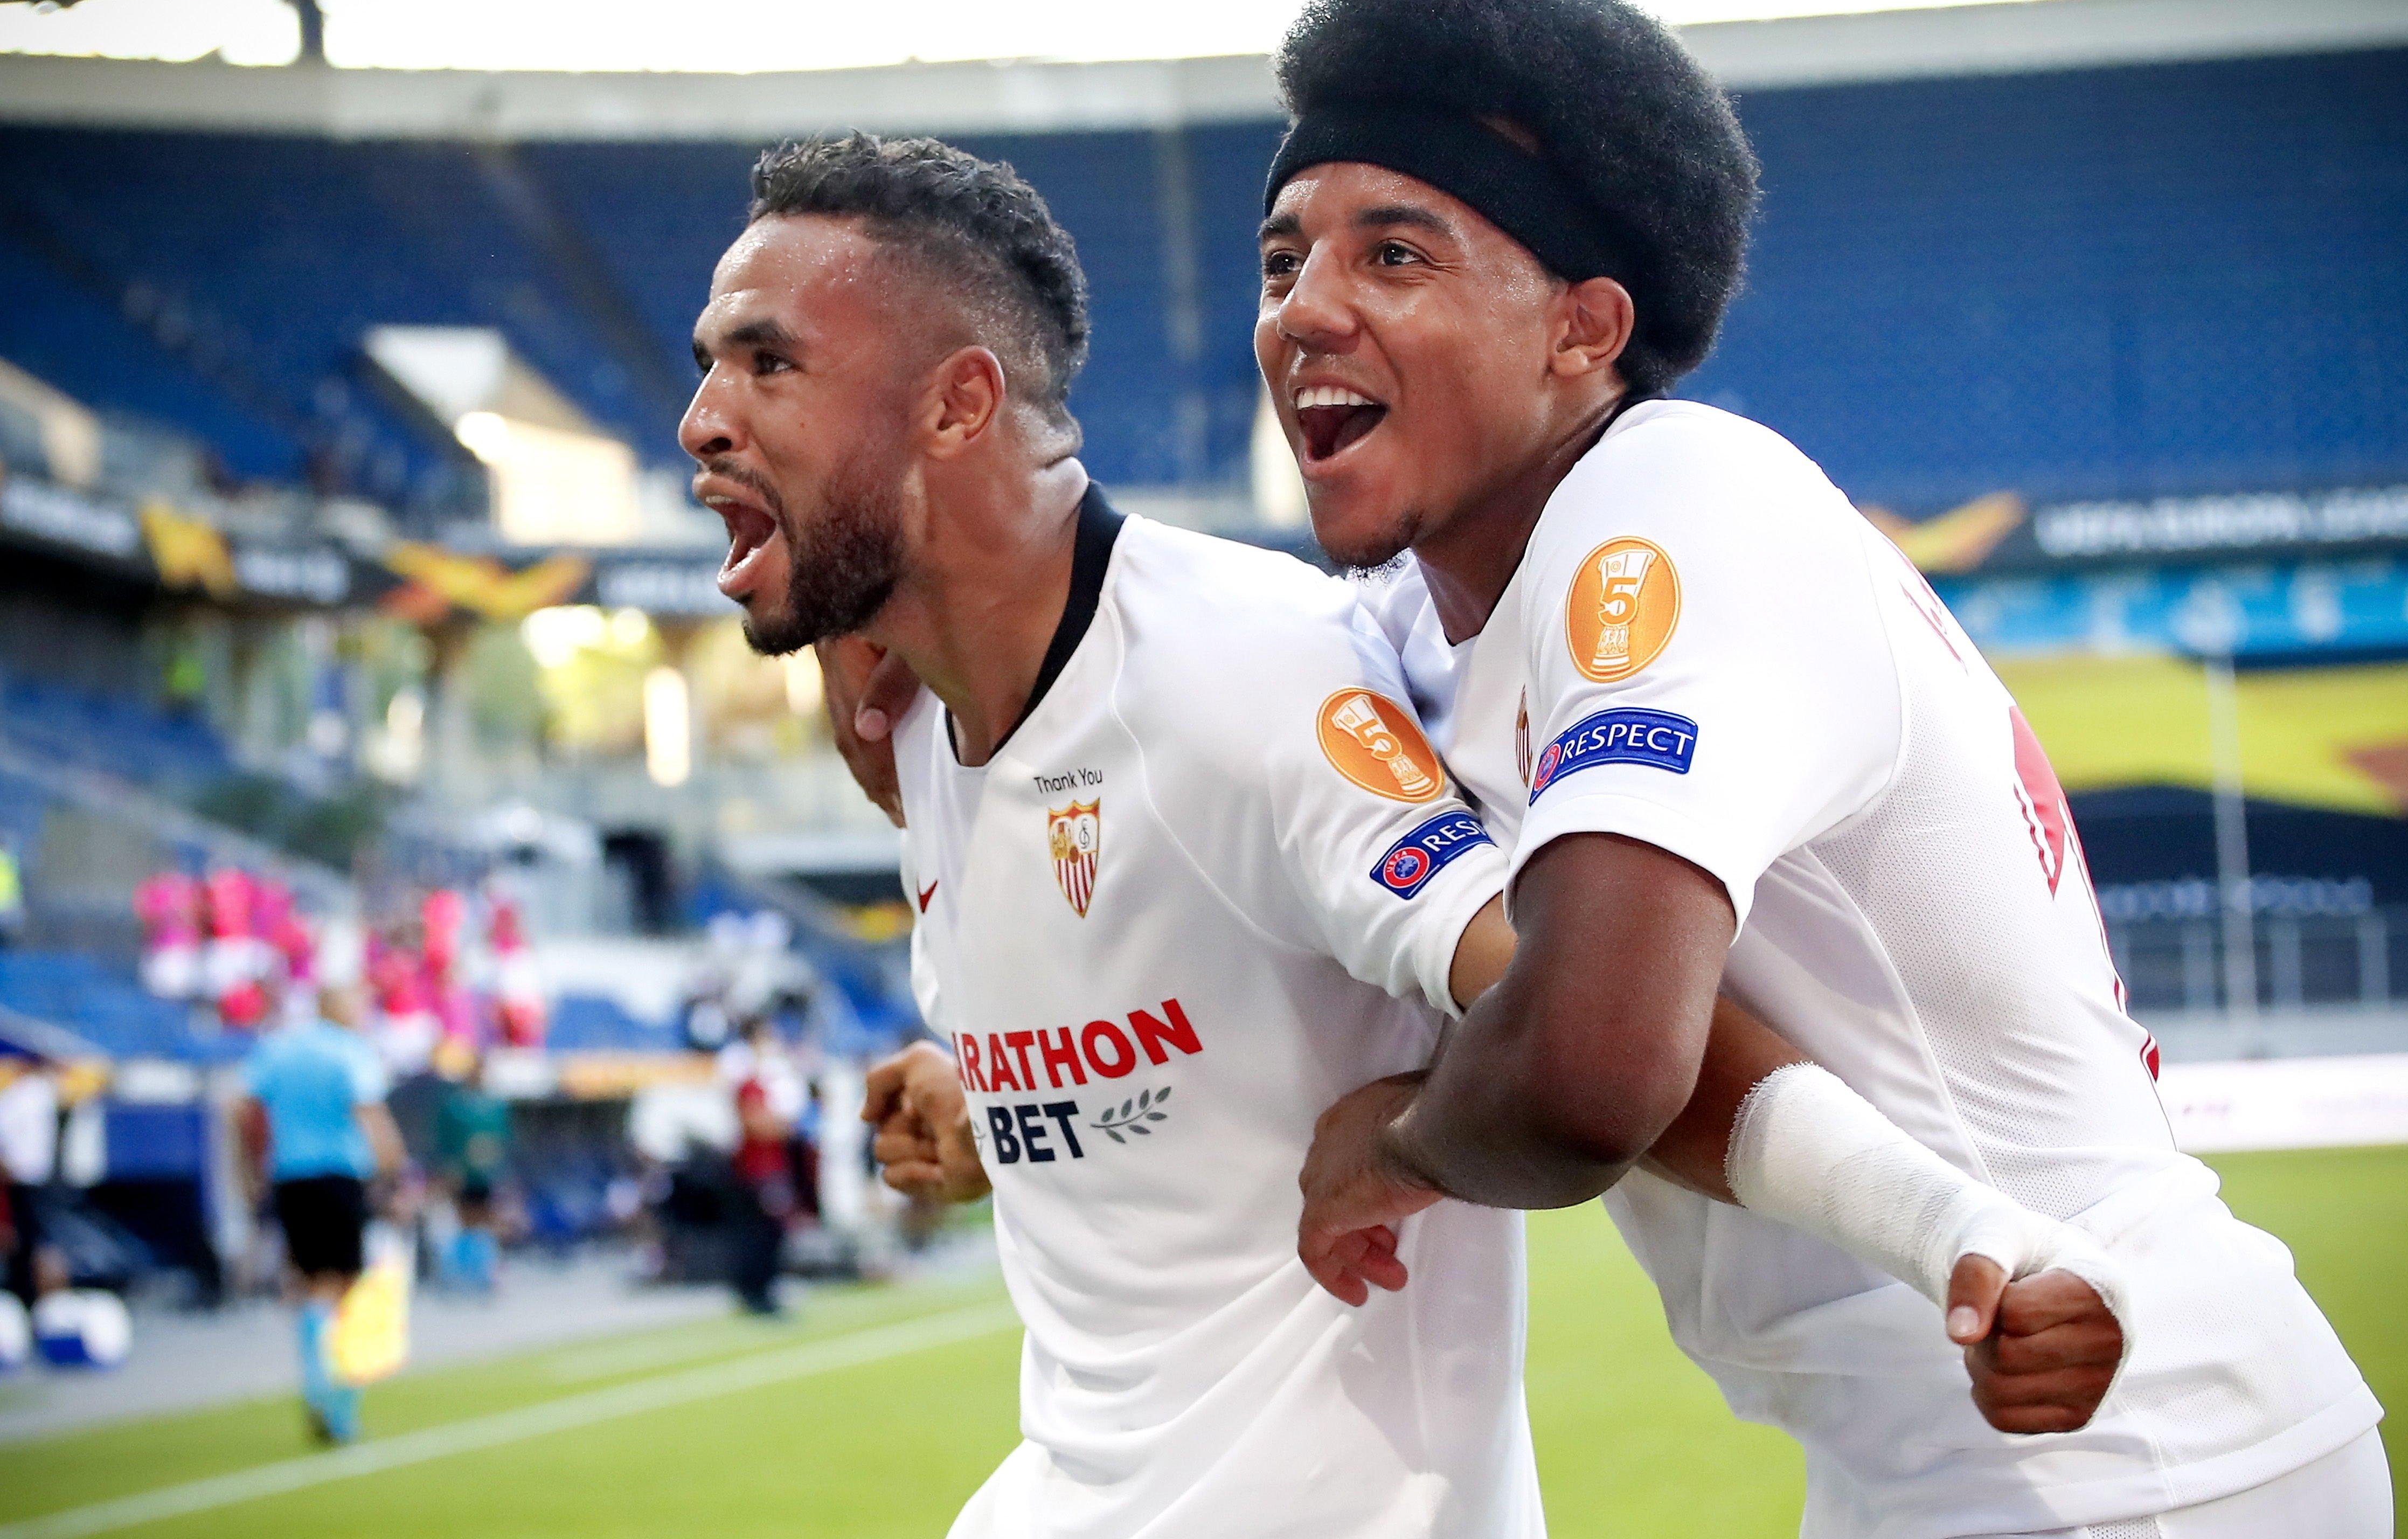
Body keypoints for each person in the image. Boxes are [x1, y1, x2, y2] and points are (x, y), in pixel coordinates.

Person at [689, 134, 2118, 1538]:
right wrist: (989, 1109)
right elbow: (1197, 1036)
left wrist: (1955, 1228)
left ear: (956, 407)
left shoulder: (1246, 676)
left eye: (767, 363)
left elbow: (1585, 1033)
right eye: (708, 363)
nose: (702, 420)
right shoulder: (916, 723)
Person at [1252, 0, 2386, 1539]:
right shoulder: (1413, 632)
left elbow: (1593, 1070)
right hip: (1939, 1445)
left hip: (2123, 1443)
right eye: (1282, 257)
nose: (1308, 310)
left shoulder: (1673, 502)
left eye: (1394, 254)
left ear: (1583, 327)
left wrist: (1406, 1137)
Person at [239, 986, 404, 1444]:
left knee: (309, 1285)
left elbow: (245, 1108)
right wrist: (396, 1174)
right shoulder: (349, 1052)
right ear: (339, 1007)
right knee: (348, 1288)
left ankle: (314, 1382)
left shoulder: (278, 1049)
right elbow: (371, 1115)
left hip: (290, 1178)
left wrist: (250, 1169)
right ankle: (338, 1403)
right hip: (339, 1176)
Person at [727, 1015, 804, 1316]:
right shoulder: (748, 1084)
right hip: (758, 1170)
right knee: (760, 1235)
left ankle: (765, 1290)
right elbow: (758, 1126)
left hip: (773, 1167)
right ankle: (756, 1294)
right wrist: (784, 1124)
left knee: (773, 1234)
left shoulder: (769, 1085)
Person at [431, 1052, 510, 1294]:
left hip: (488, 1175)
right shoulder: (455, 1107)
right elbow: (445, 1144)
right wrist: (450, 1170)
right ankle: (466, 1274)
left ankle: (488, 1271)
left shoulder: (495, 1106)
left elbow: (504, 1140)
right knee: (465, 1221)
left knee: (489, 1221)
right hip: (463, 1175)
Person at [0, 1055, 62, 1309]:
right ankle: (36, 1302)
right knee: (32, 1245)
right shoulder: (36, 1092)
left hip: (26, 1178)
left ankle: (36, 1302)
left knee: (31, 1246)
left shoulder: (29, 1093)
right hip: (31, 1178)